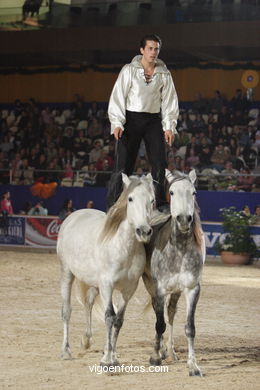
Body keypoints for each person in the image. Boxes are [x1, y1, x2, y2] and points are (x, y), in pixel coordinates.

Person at [106, 34, 179, 210]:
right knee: (123, 164)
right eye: (150, 48)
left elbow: (170, 101)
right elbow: (118, 96)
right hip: (131, 119)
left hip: (153, 120)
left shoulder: (164, 73)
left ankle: (160, 202)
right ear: (142, 50)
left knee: (159, 162)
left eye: (156, 49)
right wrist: (116, 122)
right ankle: (114, 204)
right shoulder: (129, 70)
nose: (153, 52)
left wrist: (169, 126)